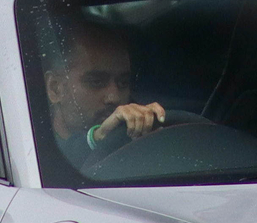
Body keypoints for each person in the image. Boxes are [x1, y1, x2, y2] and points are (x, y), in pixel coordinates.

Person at [44, 18, 168, 169]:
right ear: (55, 88)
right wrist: (97, 138)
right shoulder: (27, 146)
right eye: (96, 82)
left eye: (123, 83)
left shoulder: (136, 138)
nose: (114, 98)